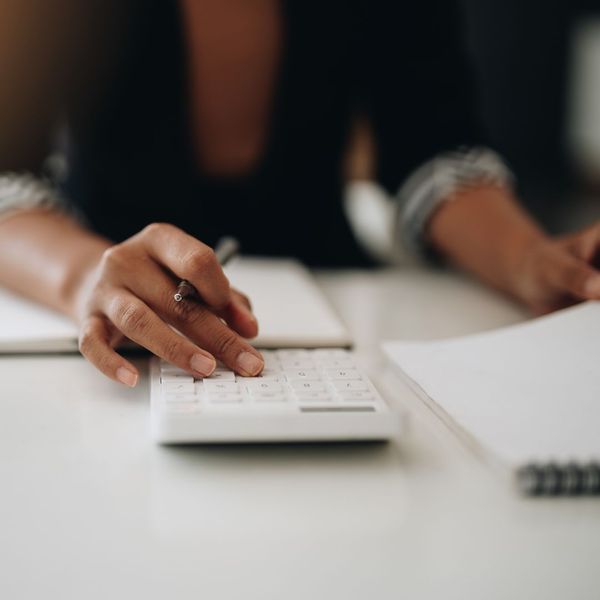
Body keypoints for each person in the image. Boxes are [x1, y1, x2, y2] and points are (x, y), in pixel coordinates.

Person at [1, 0, 600, 388]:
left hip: (337, 305)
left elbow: (432, 146)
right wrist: (84, 276)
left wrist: (526, 258)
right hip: (101, 319)